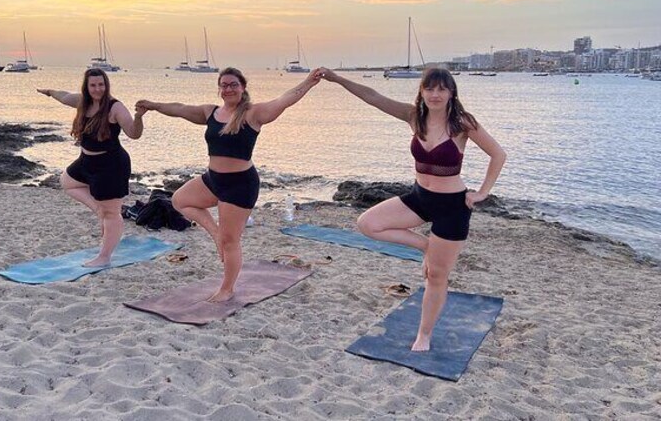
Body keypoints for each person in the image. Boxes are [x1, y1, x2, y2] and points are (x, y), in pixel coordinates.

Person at [320, 67, 506, 351]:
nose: (435, 94)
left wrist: (482, 192)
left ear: (451, 93)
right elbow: (372, 96)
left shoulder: (462, 123)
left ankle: (424, 335)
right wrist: (338, 79)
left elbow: (498, 154)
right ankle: (425, 246)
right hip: (419, 198)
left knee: (436, 276)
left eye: (441, 89)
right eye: (429, 88)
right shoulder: (413, 117)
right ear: (421, 91)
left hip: (452, 207)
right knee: (367, 223)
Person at [136, 67, 322, 302]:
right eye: (224, 85)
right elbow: (180, 109)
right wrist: (153, 105)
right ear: (219, 89)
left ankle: (227, 289)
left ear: (243, 87)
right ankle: (214, 232)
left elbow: (285, 100)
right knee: (180, 200)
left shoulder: (254, 113)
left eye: (233, 84)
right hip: (213, 179)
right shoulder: (210, 113)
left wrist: (308, 82)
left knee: (230, 241)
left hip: (240, 185)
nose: (228, 88)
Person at [37, 68, 144, 267]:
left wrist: (138, 118)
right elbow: (64, 96)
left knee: (112, 213)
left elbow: (133, 133)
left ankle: (104, 257)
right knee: (67, 182)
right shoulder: (82, 103)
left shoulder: (115, 107)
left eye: (101, 85)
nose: (97, 89)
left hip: (111, 165)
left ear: (106, 85)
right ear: (87, 87)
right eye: (93, 85)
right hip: (86, 162)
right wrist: (49, 91)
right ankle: (98, 210)